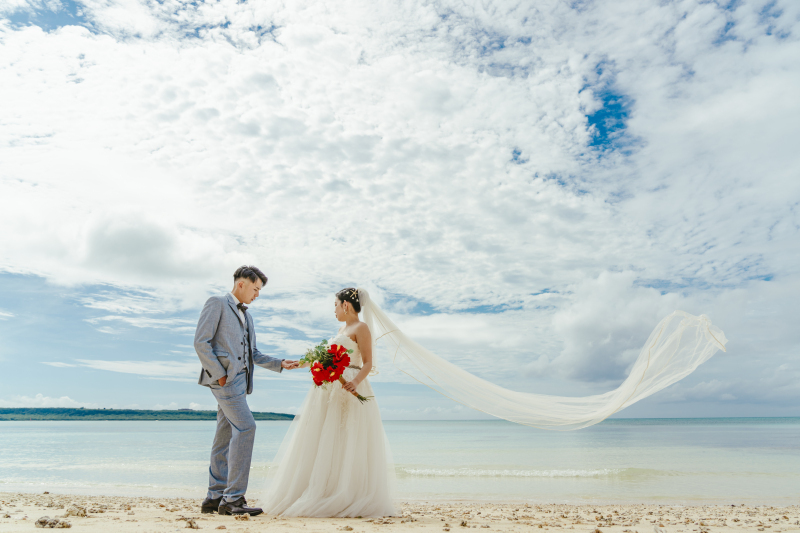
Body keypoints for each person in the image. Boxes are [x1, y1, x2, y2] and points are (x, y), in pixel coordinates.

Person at [257, 287, 397, 517]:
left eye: (335, 304)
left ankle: (347, 491)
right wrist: (300, 364)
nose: (333, 310)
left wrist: (356, 383)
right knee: (326, 438)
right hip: (330, 387)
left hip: (350, 383)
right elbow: (325, 357)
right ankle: (324, 488)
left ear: (346, 305)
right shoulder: (341, 328)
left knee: (348, 437)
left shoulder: (362, 328)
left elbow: (369, 362)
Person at [194, 265, 299, 516]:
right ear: (241, 284)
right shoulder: (216, 303)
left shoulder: (248, 316)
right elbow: (201, 342)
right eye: (255, 289)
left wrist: (279, 363)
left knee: (224, 435)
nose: (257, 294)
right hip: (225, 381)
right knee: (247, 427)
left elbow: (252, 353)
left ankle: (215, 496)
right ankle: (233, 499)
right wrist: (219, 375)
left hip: (241, 383)